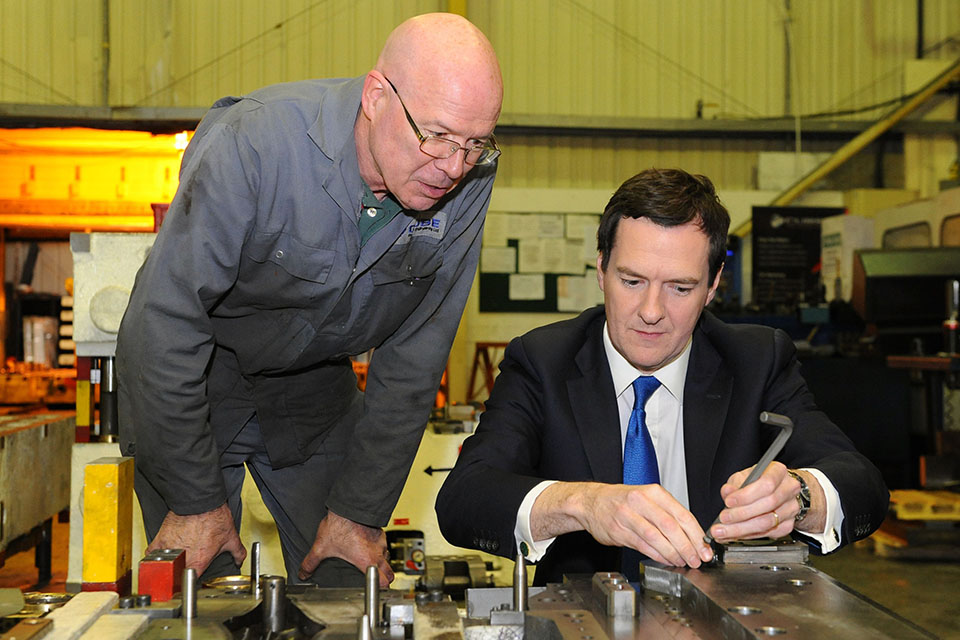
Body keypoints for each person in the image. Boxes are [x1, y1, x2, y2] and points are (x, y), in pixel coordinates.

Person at [116, 12, 503, 588]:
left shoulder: (468, 175)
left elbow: (415, 361)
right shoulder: (255, 144)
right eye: (437, 136)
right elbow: (164, 323)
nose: (452, 167)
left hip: (315, 394)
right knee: (200, 597)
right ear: (376, 96)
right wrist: (196, 502)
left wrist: (361, 513)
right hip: (192, 386)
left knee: (347, 588)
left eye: (474, 144)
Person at [436, 168, 889, 584]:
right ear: (601, 269)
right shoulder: (543, 361)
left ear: (713, 285)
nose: (651, 312)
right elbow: (464, 498)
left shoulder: (755, 361)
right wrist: (584, 504)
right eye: (632, 281)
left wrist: (799, 498)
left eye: (680, 287)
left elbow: (862, 483)